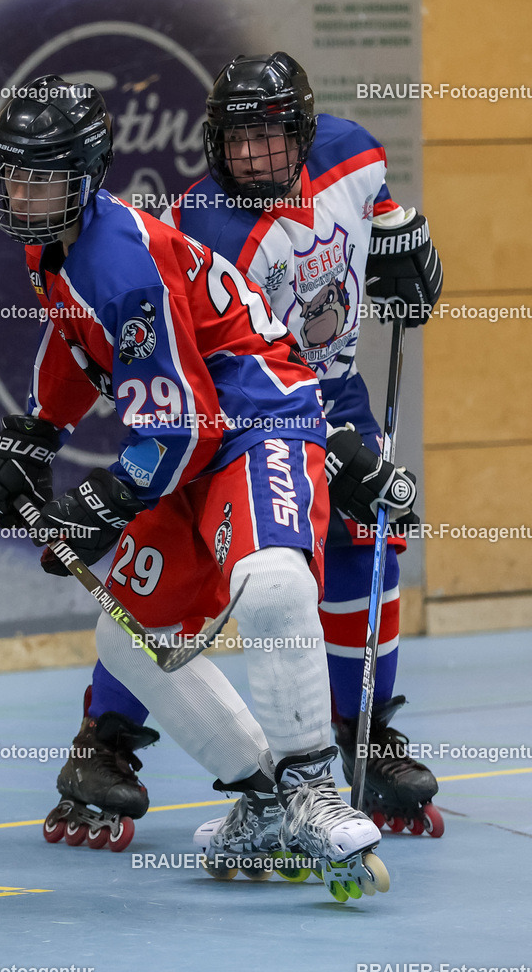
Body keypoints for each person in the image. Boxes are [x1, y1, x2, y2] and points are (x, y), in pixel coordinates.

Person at [0, 74, 414, 898]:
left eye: (40, 177)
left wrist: (99, 503)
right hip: (194, 434)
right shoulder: (57, 244)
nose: (22, 194)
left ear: (85, 175)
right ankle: (259, 797)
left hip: (258, 420)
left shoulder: (122, 267)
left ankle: (312, 785)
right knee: (128, 640)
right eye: (13, 176)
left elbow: (187, 430)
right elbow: (76, 342)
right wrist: (34, 433)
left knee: (271, 582)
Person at [70, 50, 444, 846]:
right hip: (233, 408)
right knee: (168, 569)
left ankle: (365, 734)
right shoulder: (202, 225)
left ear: (304, 134)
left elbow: (380, 204)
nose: (249, 157)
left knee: (368, 532)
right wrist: (323, 445)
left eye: (269, 139)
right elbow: (201, 369)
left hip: (329, 390)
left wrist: (400, 236)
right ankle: (103, 742)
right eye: (233, 140)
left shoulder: (353, 153)